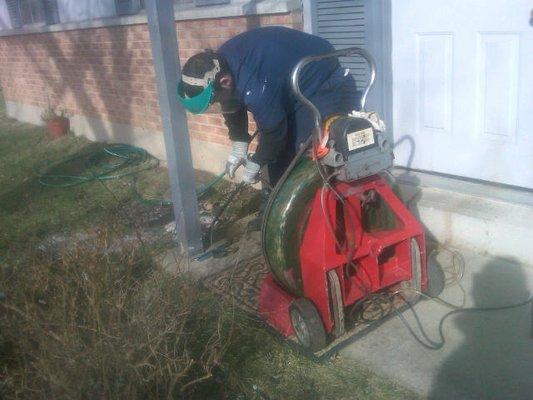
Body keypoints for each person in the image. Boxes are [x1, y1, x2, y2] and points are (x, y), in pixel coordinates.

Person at [177, 26, 358, 187]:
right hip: (286, 81)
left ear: (224, 81)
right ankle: (277, 209)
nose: (217, 104)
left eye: (214, 100)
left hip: (322, 80)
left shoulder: (254, 84)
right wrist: (239, 142)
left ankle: (313, 209)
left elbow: (273, 130)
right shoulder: (221, 64)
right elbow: (231, 102)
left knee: (306, 154)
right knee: (278, 155)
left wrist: (258, 161)